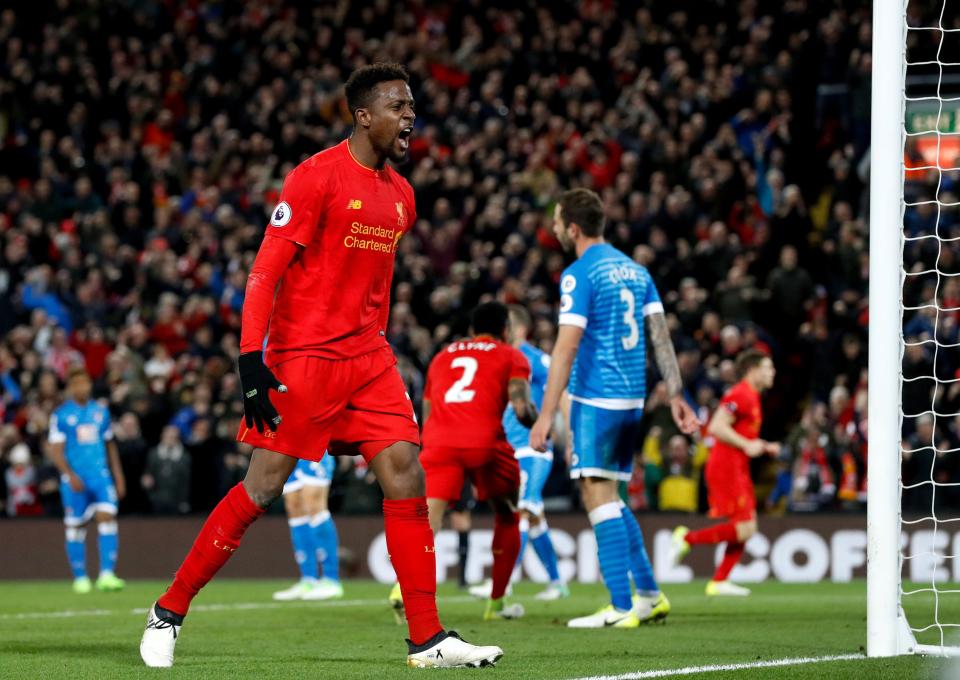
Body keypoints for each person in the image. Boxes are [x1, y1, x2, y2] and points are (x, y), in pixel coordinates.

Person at [140, 63, 503, 670]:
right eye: (398, 106)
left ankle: (428, 637)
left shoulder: (402, 197)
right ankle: (168, 611)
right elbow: (264, 273)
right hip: (304, 357)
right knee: (261, 489)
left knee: (406, 471)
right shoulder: (315, 178)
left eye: (413, 105)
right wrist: (251, 360)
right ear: (363, 116)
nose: (411, 116)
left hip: (369, 357)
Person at [530, 188, 699, 628]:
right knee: (614, 498)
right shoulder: (636, 271)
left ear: (572, 227)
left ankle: (620, 605)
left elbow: (565, 350)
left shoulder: (579, 274)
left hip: (596, 398)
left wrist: (547, 415)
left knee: (596, 495)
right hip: (632, 399)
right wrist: (677, 395)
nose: (551, 228)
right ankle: (648, 594)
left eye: (556, 220)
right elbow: (661, 336)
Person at [416, 301, 538, 621]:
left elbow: (427, 411)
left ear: (471, 330)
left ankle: (404, 591)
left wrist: (432, 444)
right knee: (508, 513)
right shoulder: (512, 355)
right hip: (485, 443)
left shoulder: (442, 356)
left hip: (439, 442)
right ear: (506, 330)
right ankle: (496, 604)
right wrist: (541, 427)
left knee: (429, 519)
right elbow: (522, 409)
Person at [671, 350, 779, 596]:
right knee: (745, 528)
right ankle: (686, 538)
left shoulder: (751, 396)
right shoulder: (741, 394)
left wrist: (762, 445)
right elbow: (718, 426)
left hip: (736, 466)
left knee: (747, 527)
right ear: (753, 370)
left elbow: (741, 434)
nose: (772, 373)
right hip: (726, 466)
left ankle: (720, 580)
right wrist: (747, 445)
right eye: (768, 368)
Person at [501, 304, 568, 600]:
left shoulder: (536, 359)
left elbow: (562, 392)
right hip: (511, 448)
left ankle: (503, 583)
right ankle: (557, 583)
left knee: (523, 511)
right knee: (535, 516)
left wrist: (571, 437)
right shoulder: (505, 359)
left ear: (518, 329)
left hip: (534, 447)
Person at [48, 366, 127, 593]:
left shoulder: (100, 412)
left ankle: (107, 575)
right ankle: (80, 577)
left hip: (100, 477)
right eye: (77, 383)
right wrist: (69, 475)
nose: (82, 387)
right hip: (75, 480)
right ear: (71, 387)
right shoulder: (62, 415)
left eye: (85, 382)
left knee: (108, 517)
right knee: (76, 526)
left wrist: (118, 476)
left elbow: (110, 444)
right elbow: (56, 450)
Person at [272, 454, 343, 601]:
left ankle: (331, 579)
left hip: (314, 439)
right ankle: (309, 579)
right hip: (288, 444)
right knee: (293, 505)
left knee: (314, 501)